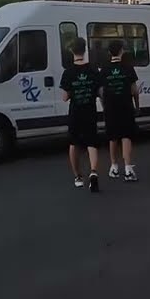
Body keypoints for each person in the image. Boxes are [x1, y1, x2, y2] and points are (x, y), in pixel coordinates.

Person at [61, 37, 101, 191]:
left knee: (74, 143)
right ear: (84, 50)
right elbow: (100, 92)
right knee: (92, 143)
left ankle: (78, 176)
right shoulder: (93, 70)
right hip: (90, 111)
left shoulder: (68, 72)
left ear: (72, 51)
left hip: (75, 112)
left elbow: (65, 97)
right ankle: (94, 172)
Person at [100, 40, 140, 181]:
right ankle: (128, 169)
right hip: (126, 105)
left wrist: (104, 106)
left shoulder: (104, 69)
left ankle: (114, 167)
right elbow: (134, 90)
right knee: (126, 136)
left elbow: (101, 92)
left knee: (113, 137)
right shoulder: (128, 68)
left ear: (109, 52)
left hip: (110, 107)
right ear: (122, 51)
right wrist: (137, 106)